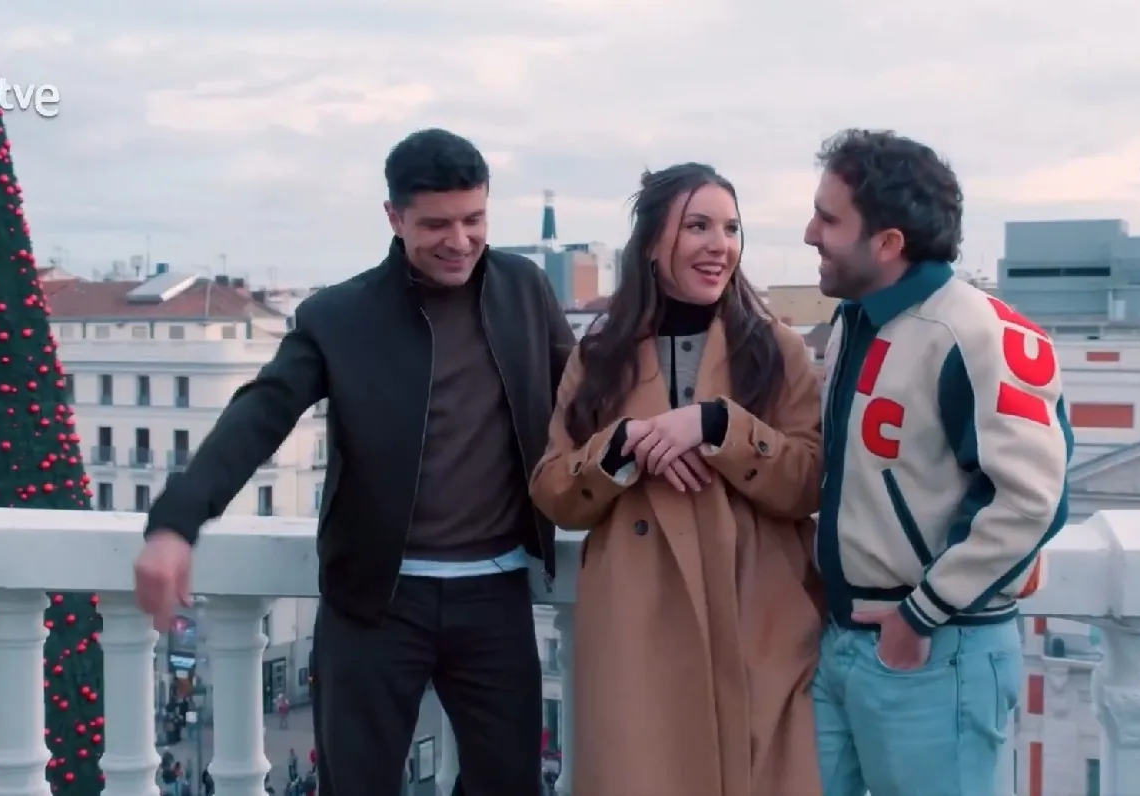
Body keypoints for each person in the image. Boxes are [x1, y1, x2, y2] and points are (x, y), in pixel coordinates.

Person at [132, 127, 575, 796]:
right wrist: (175, 522)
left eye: (474, 219)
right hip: (374, 601)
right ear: (394, 217)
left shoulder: (525, 289)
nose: (460, 240)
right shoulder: (338, 315)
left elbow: (584, 395)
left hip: (496, 593)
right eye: (436, 224)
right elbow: (262, 414)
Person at [530, 163, 825, 795]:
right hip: (637, 634)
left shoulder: (776, 349)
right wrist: (622, 447)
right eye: (698, 226)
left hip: (759, 631)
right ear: (650, 243)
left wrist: (719, 426)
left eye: (731, 228)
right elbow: (555, 492)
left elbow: (808, 482)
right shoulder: (598, 355)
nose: (720, 245)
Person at [804, 129, 1072, 796]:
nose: (809, 234)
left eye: (828, 219)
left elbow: (1030, 500)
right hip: (843, 644)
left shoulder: (976, 332)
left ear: (887, 243)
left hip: (934, 650)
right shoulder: (855, 321)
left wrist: (919, 614)